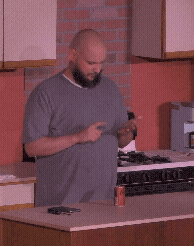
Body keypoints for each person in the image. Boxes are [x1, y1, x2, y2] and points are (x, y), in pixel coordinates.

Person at [23, 29, 137, 206]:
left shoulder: (111, 89)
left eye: (101, 63)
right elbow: (32, 147)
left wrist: (126, 134)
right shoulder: (45, 93)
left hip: (104, 205)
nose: (97, 69)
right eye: (91, 63)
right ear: (72, 55)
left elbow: (121, 142)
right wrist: (77, 137)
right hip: (59, 207)